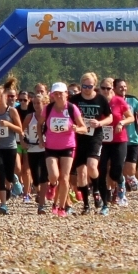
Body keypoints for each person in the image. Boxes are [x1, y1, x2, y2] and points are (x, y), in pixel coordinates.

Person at [41, 82, 85, 217]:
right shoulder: (48, 109)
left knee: (65, 178)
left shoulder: (72, 109)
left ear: (66, 94)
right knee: (54, 175)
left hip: (68, 146)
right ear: (52, 95)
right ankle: (52, 185)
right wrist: (40, 137)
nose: (59, 96)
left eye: (61, 93)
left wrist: (77, 129)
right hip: (51, 146)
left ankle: (61, 207)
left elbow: (84, 127)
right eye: (56, 94)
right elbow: (39, 123)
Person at [96, 78, 135, 214]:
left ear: (113, 89)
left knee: (115, 171)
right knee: (101, 169)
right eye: (103, 88)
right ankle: (104, 203)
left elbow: (131, 117)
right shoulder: (97, 101)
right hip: (102, 141)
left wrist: (121, 123)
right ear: (99, 88)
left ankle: (121, 181)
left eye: (109, 88)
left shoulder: (118, 101)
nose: (106, 91)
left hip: (119, 140)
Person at [72, 73, 109, 214]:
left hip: (95, 135)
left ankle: (97, 190)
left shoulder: (101, 99)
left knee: (92, 166)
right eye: (84, 86)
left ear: (95, 86)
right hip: (79, 137)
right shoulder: (75, 100)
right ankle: (86, 205)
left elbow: (110, 117)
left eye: (90, 86)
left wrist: (99, 122)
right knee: (81, 172)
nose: (87, 89)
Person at [0, 86, 24, 215]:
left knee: (9, 175)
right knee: (0, 173)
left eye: (0, 96)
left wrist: (8, 124)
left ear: (4, 96)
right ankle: (3, 204)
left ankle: (13, 180)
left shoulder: (11, 111)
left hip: (10, 147)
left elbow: (20, 129)